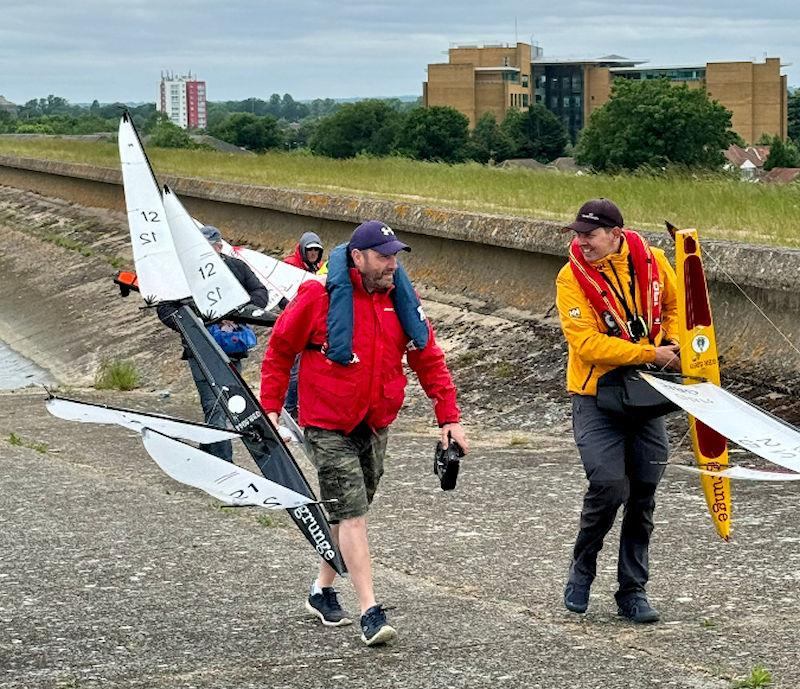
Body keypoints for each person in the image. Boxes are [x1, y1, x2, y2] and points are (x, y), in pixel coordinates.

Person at [260, 220, 468, 646]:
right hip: (327, 423)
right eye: (383, 256)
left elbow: (428, 358)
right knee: (353, 513)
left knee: (344, 509)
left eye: (395, 256)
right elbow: (281, 350)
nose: (392, 264)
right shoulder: (319, 297)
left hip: (375, 422)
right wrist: (271, 411)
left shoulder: (402, 302)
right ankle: (370, 611)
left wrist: (448, 416)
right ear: (358, 257)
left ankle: (322, 590)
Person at [555, 198, 680, 623]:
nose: (581, 241)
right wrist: (651, 352)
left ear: (615, 234)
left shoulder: (655, 261)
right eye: (578, 234)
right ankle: (582, 569)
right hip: (595, 397)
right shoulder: (570, 277)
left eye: (589, 234)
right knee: (609, 486)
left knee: (644, 491)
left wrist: (675, 343)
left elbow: (675, 309)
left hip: (647, 393)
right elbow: (587, 344)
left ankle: (632, 590)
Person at [158, 225, 269, 461]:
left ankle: (207, 458)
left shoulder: (237, 267)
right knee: (215, 407)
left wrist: (238, 310)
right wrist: (193, 324)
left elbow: (261, 294)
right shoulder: (182, 273)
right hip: (199, 349)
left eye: (210, 248)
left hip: (232, 349)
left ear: (220, 247)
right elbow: (165, 307)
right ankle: (224, 464)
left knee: (224, 407)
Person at [282, 231, 325, 418]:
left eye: (316, 250)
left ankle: (298, 406)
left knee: (306, 369)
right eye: (310, 250)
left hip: (313, 325)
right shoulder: (290, 266)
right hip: (294, 321)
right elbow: (281, 294)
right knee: (294, 370)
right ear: (303, 250)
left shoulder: (320, 268)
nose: (313, 253)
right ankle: (289, 408)